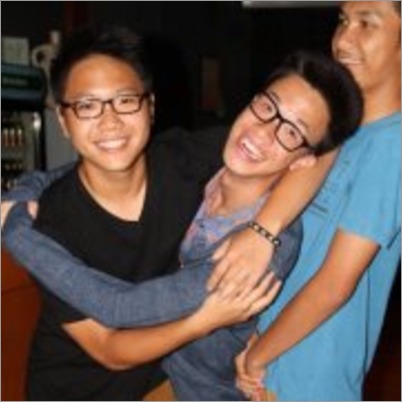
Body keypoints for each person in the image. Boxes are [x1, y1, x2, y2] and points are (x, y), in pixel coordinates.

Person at [0, 25, 364, 401]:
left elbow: (319, 152)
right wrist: (25, 193)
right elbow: (109, 346)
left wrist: (264, 230)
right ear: (63, 120)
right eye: (88, 105)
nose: (109, 122)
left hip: (173, 387)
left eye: (125, 100)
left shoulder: (196, 177)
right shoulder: (51, 217)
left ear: (150, 107)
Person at [235, 1, 401, 400]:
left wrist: (257, 358)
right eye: (343, 21)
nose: (342, 39)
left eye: (366, 24)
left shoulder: (393, 144)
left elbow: (334, 284)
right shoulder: (341, 131)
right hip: (273, 353)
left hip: (312, 378)